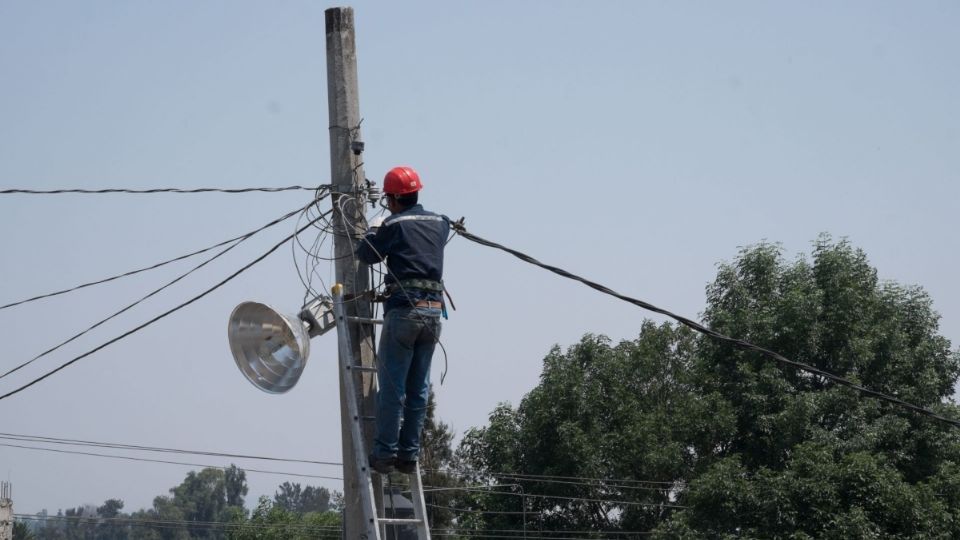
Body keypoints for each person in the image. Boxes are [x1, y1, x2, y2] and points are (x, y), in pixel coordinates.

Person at [356, 165, 450, 475]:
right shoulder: (440, 222)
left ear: (394, 198)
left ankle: (384, 453)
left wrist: (374, 228)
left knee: (393, 388)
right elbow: (441, 230)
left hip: (404, 312)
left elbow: (366, 254)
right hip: (433, 314)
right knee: (419, 388)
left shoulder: (394, 225)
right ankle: (408, 456)